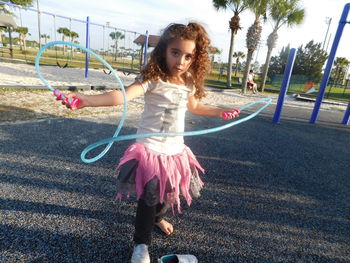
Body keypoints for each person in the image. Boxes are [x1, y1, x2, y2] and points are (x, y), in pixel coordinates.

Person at [63, 22, 239, 263]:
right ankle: (141, 244)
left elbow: (196, 106)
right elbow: (121, 96)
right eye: (175, 53)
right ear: (164, 50)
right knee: (149, 198)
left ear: (195, 58)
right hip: (150, 149)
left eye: (188, 56)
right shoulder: (153, 77)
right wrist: (86, 100)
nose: (181, 61)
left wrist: (220, 111)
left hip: (175, 151)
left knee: (167, 195)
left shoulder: (188, 82)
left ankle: (158, 218)